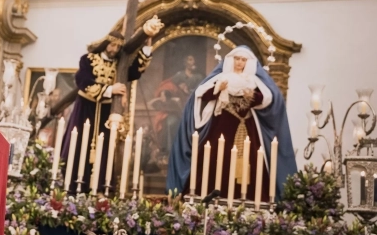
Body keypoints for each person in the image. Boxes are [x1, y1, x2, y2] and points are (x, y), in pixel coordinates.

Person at [166, 45, 297, 202]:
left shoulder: (252, 80)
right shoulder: (223, 78)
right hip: (222, 125)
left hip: (247, 126)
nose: (239, 62)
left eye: (243, 60)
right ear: (231, 60)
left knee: (252, 160)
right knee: (214, 158)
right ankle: (210, 197)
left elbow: (266, 99)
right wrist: (217, 89)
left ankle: (249, 200)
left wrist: (252, 96)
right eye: (237, 59)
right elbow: (203, 95)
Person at [60, 16, 163, 194]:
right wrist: (110, 89)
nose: (114, 49)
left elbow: (135, 72)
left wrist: (146, 46)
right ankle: (73, 188)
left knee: (104, 150)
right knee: (78, 146)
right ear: (105, 43)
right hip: (85, 108)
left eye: (117, 47)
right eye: (112, 45)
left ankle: (99, 189)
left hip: (107, 112)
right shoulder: (88, 59)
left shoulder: (119, 65)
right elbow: (83, 81)